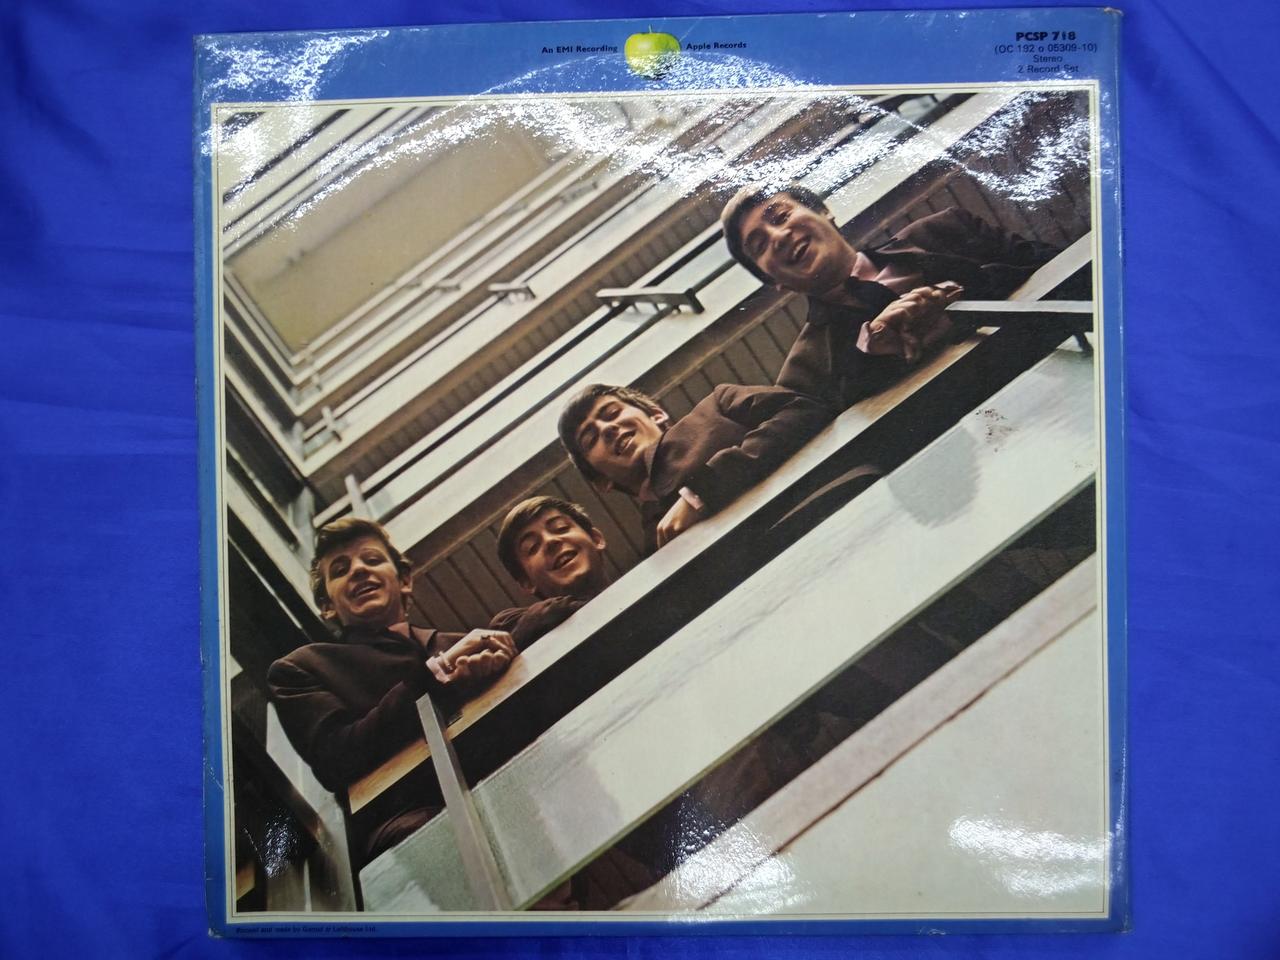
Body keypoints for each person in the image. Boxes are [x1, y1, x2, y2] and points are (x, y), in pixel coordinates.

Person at [267, 517, 516, 862]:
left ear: (404, 580)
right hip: (418, 836)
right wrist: (439, 672)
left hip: (516, 792)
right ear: (327, 606)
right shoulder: (302, 667)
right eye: (340, 570)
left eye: (371, 559)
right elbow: (337, 759)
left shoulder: (466, 643)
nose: (358, 570)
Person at [720, 182, 1074, 408]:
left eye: (781, 216)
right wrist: (871, 356)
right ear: (773, 281)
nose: (778, 236)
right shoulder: (804, 372)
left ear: (824, 213)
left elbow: (1065, 268)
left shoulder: (946, 229)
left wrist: (957, 299)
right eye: (760, 244)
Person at [557, 382, 831, 552]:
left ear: (656, 414)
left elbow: (802, 408)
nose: (606, 429)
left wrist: (699, 494)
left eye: (612, 413)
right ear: (600, 482)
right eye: (590, 439)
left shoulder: (717, 404)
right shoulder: (653, 546)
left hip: (827, 513)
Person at [491, 496, 611, 648]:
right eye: (532, 547)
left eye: (561, 528)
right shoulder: (513, 626)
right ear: (527, 582)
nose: (550, 541)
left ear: (596, 539)